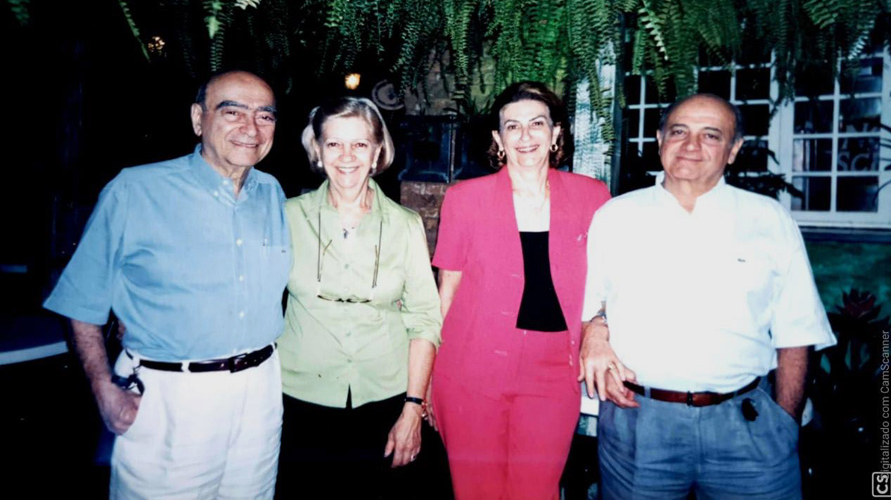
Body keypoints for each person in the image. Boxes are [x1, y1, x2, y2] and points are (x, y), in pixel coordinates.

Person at [44, 71, 292, 499]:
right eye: (232, 111)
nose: (250, 128)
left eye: (264, 116)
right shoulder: (135, 190)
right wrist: (104, 388)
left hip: (261, 393)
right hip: (172, 398)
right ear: (199, 119)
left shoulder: (271, 192)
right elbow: (81, 300)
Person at [580, 93, 837, 499]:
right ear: (660, 138)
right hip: (639, 428)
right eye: (679, 131)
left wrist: (784, 423)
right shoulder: (615, 216)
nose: (691, 146)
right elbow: (587, 303)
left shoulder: (769, 219)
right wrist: (594, 329)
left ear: (733, 150)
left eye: (711, 135)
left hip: (747, 428)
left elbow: (797, 332)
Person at [430, 81, 611, 500]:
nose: (525, 136)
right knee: (477, 492)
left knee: (537, 490)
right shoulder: (464, 198)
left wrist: (598, 329)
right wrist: (431, 376)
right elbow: (447, 291)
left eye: (537, 124)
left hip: (552, 373)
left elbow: (607, 280)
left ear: (556, 133)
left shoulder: (592, 196)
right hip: (470, 371)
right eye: (513, 127)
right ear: (498, 138)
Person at [276, 97, 442, 499]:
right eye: (334, 144)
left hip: (384, 397)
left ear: (377, 152)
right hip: (300, 398)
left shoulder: (405, 225)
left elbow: (424, 319)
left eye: (360, 145)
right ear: (316, 150)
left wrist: (413, 408)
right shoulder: (286, 216)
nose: (347, 156)